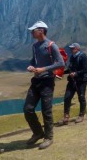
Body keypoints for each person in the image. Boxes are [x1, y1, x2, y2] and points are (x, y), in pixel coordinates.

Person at [24, 21, 65, 150]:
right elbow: (34, 60)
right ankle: (38, 133)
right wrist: (31, 65)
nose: (31, 32)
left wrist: (44, 69)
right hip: (36, 80)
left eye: (33, 30)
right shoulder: (35, 46)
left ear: (41, 31)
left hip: (47, 81)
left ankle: (48, 137)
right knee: (28, 109)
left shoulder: (51, 45)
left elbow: (61, 63)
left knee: (46, 110)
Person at [58, 43, 87, 125]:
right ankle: (66, 117)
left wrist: (76, 73)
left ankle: (81, 115)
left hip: (81, 81)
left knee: (81, 98)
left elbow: (86, 69)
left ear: (77, 49)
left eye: (73, 48)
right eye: (71, 48)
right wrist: (61, 73)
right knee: (67, 98)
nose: (71, 50)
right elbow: (70, 69)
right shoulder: (72, 57)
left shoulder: (82, 56)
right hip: (72, 81)